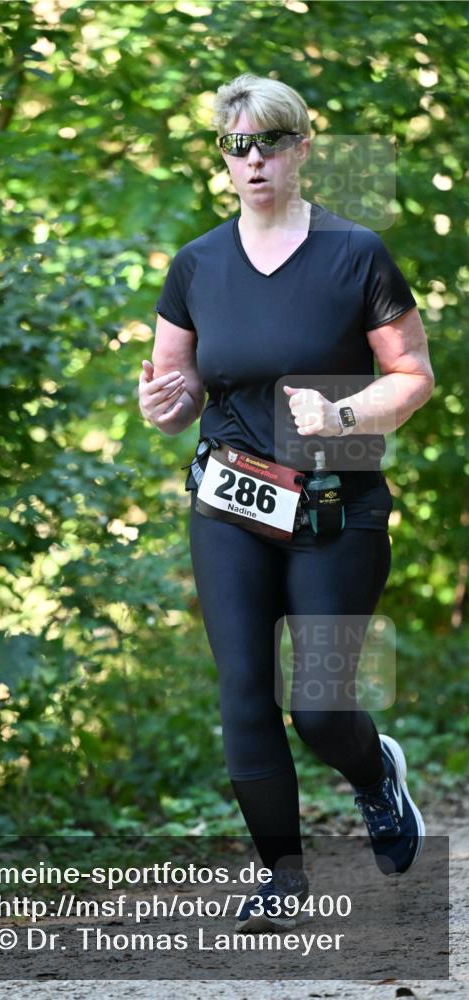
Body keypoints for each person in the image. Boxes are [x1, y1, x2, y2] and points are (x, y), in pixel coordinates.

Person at [138, 73, 434, 934]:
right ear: (222, 159)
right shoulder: (196, 263)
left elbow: (411, 375)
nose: (254, 160)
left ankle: (375, 772)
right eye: (238, 146)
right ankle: (281, 876)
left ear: (302, 147)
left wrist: (343, 412)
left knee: (318, 705)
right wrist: (165, 404)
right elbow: (178, 382)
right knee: (241, 691)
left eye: (270, 141)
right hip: (231, 502)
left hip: (335, 505)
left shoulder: (355, 253)